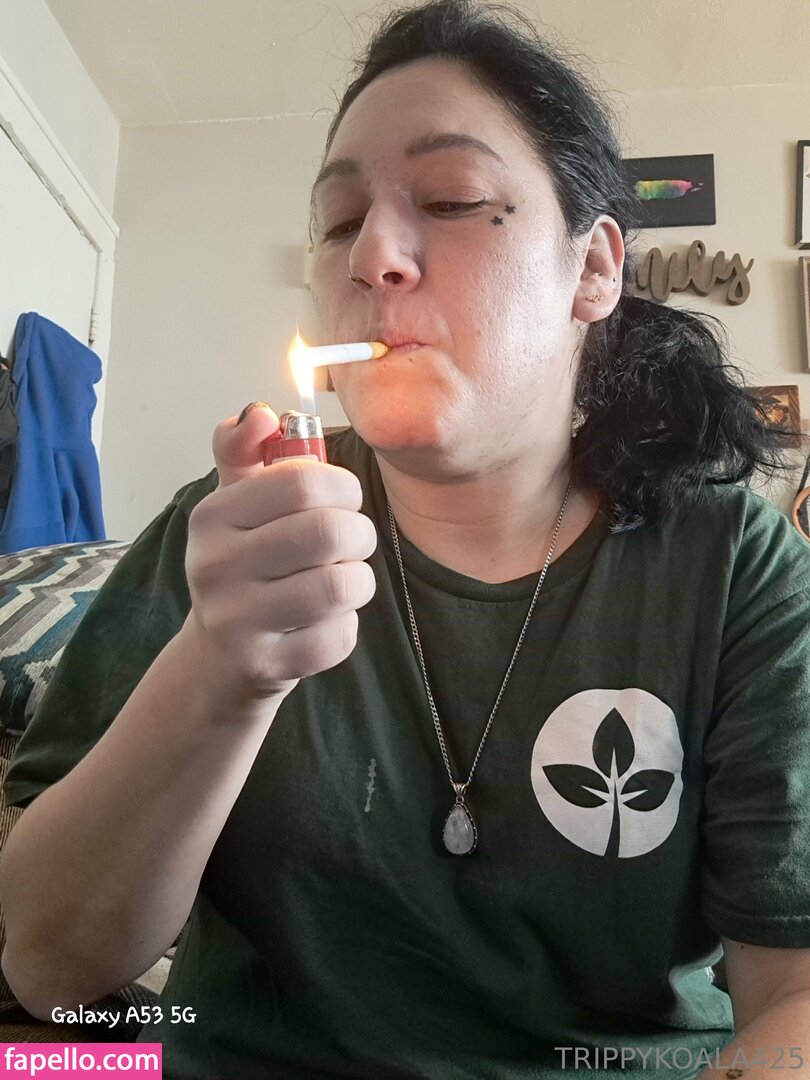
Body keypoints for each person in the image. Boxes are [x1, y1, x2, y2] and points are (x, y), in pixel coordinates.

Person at [2, 1, 810, 1077]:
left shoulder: (730, 563)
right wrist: (222, 672)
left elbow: (792, 993)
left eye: (453, 199)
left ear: (593, 269)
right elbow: (52, 970)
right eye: (339, 222)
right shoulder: (229, 533)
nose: (373, 254)